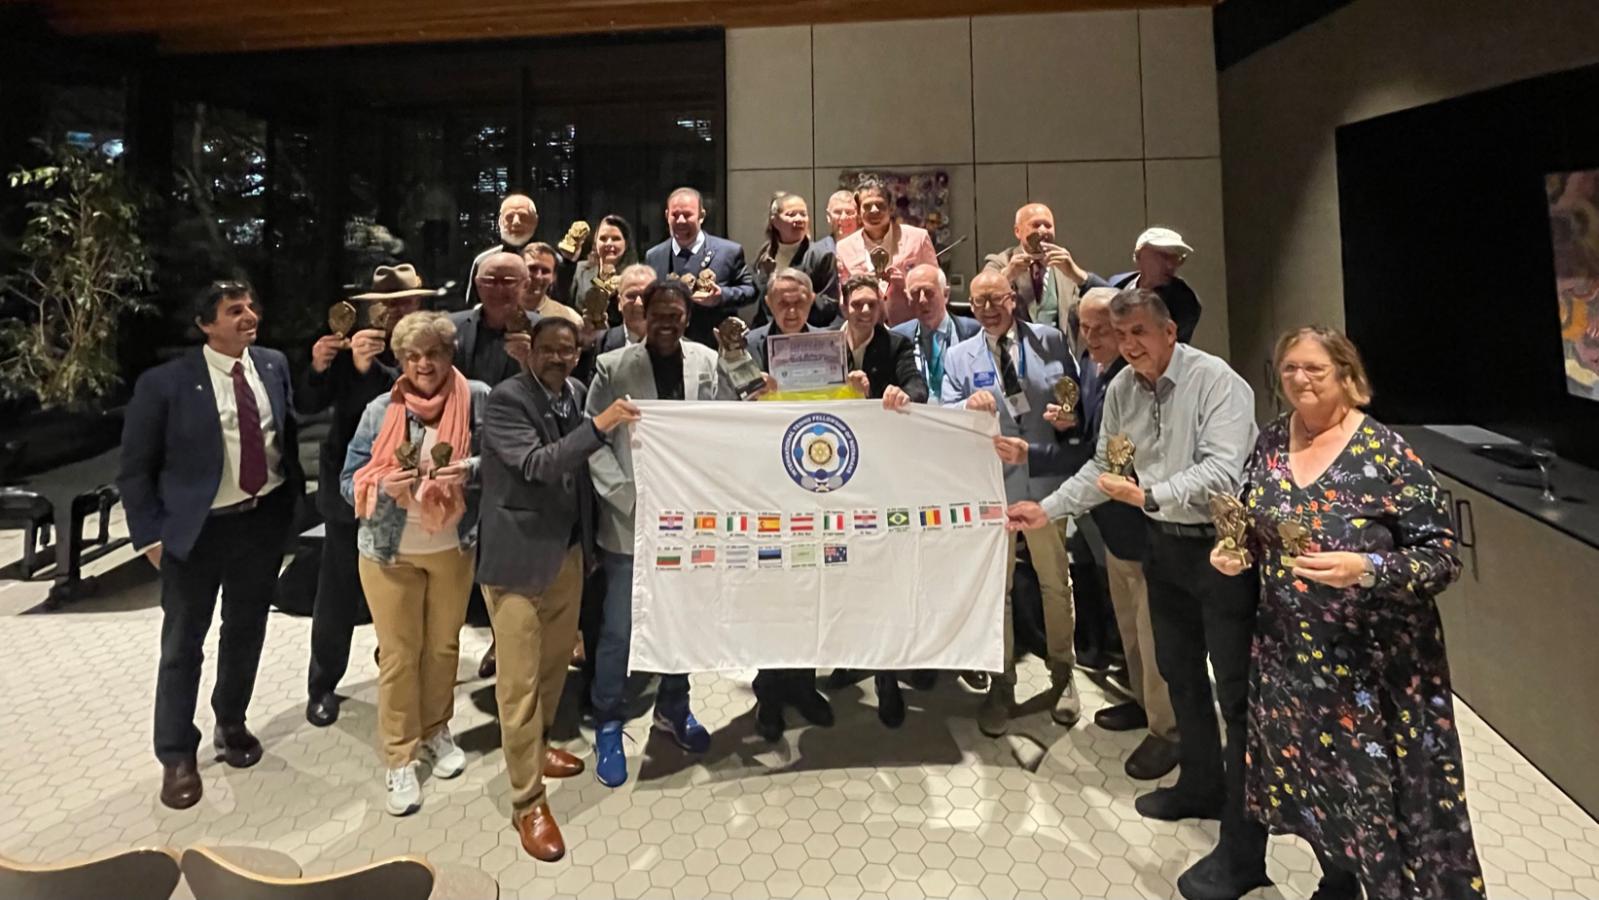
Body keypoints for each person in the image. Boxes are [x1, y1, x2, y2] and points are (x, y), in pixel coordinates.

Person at [1005, 288, 1265, 900]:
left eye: (1139, 333)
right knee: (1177, 672)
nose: (1128, 346)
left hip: (1221, 549)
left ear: (1169, 331)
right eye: (1121, 337)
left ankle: (1245, 833)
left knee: (1235, 693)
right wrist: (1047, 509)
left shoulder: (1217, 383)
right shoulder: (1123, 388)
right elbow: (1104, 468)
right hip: (1163, 547)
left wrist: (1149, 495)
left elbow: (1224, 470)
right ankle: (1199, 784)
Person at [1214, 326, 1483, 900]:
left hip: (1371, 669)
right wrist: (1238, 552)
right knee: (1316, 787)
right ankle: (1336, 885)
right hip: (1291, 658)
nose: (1300, 379)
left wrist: (1367, 568)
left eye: (1314, 368)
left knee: (1374, 797)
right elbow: (1257, 523)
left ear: (1347, 375)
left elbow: (1442, 557)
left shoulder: (1386, 452)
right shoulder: (1272, 439)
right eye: (1289, 368)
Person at [119, 280, 303, 810]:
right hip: (196, 532)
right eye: (233, 310)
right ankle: (176, 753)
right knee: (183, 645)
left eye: (251, 306)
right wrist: (149, 536)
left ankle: (232, 721)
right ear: (205, 324)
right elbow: (135, 469)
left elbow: (286, 434)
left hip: (260, 523)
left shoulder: (272, 364)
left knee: (245, 629)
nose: (249, 316)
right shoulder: (166, 383)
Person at [997, 287, 1180, 780]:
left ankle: (1167, 732)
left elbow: (1095, 457)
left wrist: (1034, 455)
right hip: (1113, 527)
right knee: (1131, 629)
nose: (1096, 338)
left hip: (1147, 526)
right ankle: (1142, 704)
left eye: (1111, 330)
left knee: (1154, 637)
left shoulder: (1137, 377)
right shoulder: (1096, 370)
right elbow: (1092, 446)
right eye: (1089, 329)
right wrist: (1070, 424)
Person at [477, 316, 641, 862]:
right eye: (546, 349)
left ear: (577, 353)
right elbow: (537, 465)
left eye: (566, 350)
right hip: (517, 562)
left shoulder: (573, 391)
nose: (556, 358)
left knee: (551, 671)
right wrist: (601, 425)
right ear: (530, 350)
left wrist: (588, 549)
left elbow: (584, 480)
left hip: (567, 556)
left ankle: (540, 746)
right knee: (519, 686)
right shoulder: (506, 399)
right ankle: (527, 802)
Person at [587, 280, 736, 786]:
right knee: (619, 629)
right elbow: (592, 438)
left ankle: (674, 708)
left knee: (680, 620)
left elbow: (725, 427)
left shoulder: (707, 362)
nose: (667, 322)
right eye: (659, 314)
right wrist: (626, 497)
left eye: (676, 314)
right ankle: (608, 719)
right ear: (643, 315)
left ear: (687, 317)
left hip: (688, 520)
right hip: (630, 520)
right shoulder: (613, 367)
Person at [341, 311, 491, 817]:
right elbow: (347, 481)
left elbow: (500, 459)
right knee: (400, 655)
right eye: (412, 356)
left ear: (450, 355)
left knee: (443, 647)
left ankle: (436, 729)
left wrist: (468, 468)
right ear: (401, 361)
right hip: (389, 550)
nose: (423, 364)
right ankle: (400, 757)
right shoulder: (380, 409)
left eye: (433, 354)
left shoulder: (478, 398)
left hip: (452, 546)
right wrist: (381, 485)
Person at [941, 270, 1082, 737]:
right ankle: (1001, 682)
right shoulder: (959, 355)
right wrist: (966, 407)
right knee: (995, 590)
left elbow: (1074, 399)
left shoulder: (1049, 340)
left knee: (1054, 583)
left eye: (994, 299)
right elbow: (944, 409)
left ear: (1012, 299)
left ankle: (1063, 673)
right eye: (977, 302)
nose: (986, 309)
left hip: (1043, 483)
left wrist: (1068, 419)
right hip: (991, 488)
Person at [300, 266, 428, 728]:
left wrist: (370, 369)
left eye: (403, 301)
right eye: (385, 303)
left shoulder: (430, 342)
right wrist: (323, 366)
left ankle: (403, 672)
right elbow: (308, 404)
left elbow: (416, 395)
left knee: (408, 588)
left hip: (414, 486)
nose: (393, 310)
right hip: (351, 488)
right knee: (337, 590)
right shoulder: (346, 345)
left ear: (418, 302)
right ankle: (322, 684)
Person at [643, 186, 756, 346]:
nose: (680, 221)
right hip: (667, 345)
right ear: (667, 216)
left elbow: (751, 290)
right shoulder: (654, 256)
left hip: (714, 344)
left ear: (701, 216)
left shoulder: (728, 252)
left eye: (687, 215)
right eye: (675, 215)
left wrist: (721, 296)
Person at [834, 176, 938, 327]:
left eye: (880, 205)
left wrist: (905, 285)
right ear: (858, 211)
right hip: (867, 328)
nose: (874, 210)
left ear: (891, 208)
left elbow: (936, 287)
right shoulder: (844, 247)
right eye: (867, 206)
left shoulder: (918, 238)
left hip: (911, 326)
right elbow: (844, 299)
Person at [1081, 227, 1203, 344]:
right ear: (1139, 256)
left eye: (1177, 259)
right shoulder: (1119, 281)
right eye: (1163, 257)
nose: (1171, 265)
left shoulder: (1184, 301)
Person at [983, 203, 1095, 329]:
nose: (1042, 231)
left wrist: (1077, 275)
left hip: (1059, 340)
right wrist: (1007, 275)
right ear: (1017, 231)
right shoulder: (1001, 261)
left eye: (1048, 226)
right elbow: (981, 294)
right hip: (1016, 340)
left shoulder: (1065, 264)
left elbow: (1106, 298)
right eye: (1035, 225)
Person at [890, 263, 980, 406]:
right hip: (918, 415)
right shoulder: (898, 338)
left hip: (961, 413)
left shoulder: (974, 332)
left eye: (929, 292)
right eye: (915, 293)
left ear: (946, 294)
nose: (922, 300)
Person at [751, 191, 839, 328]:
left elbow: (829, 304)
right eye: (791, 215)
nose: (799, 219)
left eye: (803, 214)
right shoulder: (765, 254)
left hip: (807, 331)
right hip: (770, 331)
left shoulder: (822, 255)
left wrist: (802, 296)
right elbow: (762, 301)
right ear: (774, 221)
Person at [451, 251, 536, 387]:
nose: (498, 289)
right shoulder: (450, 327)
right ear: (477, 284)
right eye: (489, 281)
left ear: (526, 284)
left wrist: (529, 362)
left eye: (508, 281)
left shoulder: (544, 330)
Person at [465, 194, 539, 307]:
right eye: (509, 217)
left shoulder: (549, 260)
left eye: (523, 217)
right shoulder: (483, 261)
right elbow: (472, 309)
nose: (516, 222)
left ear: (535, 221)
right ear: (500, 222)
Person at [555, 213, 634, 313]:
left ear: (626, 244)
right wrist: (568, 261)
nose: (609, 243)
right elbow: (562, 299)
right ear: (596, 242)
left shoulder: (634, 276)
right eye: (603, 238)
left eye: (616, 239)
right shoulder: (580, 269)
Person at [597, 264, 655, 354]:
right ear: (619, 302)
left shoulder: (672, 343)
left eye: (645, 296)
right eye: (631, 296)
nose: (638, 303)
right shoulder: (602, 342)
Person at [522, 242, 583, 328]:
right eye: (532, 268)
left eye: (545, 271)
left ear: (553, 277)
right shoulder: (502, 309)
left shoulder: (569, 318)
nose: (538, 276)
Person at [812, 189, 859, 259]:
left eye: (849, 212)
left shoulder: (869, 250)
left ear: (858, 215)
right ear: (828, 216)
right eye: (838, 212)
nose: (843, 218)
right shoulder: (816, 253)